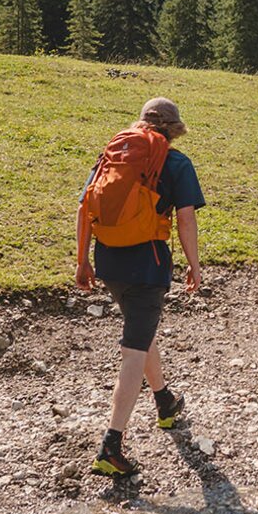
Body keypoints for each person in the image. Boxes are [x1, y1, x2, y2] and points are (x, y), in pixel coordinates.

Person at [75, 97, 204, 477]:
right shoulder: (176, 163)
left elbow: (85, 207)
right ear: (173, 129)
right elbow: (184, 221)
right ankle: (111, 445)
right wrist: (194, 264)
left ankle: (164, 402)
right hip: (147, 263)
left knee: (140, 330)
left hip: (109, 260)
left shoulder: (114, 155)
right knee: (133, 350)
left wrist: (83, 259)